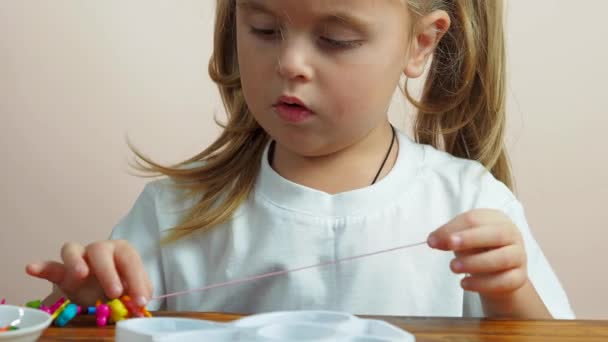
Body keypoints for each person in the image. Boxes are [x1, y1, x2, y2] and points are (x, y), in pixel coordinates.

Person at [26, 0, 574, 318]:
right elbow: (93, 317)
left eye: (334, 39)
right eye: (264, 29)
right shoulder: (175, 210)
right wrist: (78, 304)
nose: (289, 62)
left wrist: (510, 293)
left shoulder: (470, 203)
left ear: (420, 45)